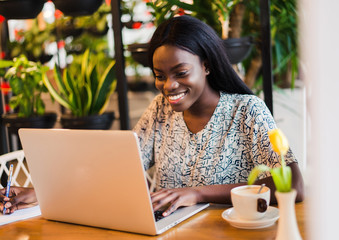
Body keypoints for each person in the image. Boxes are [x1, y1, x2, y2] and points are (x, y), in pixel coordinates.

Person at [1, 15, 304, 215]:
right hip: (166, 231)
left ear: (207, 65)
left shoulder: (246, 111)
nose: (168, 85)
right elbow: (116, 171)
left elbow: (293, 186)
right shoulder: (160, 111)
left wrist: (198, 193)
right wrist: (43, 192)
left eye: (181, 72)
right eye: (160, 75)